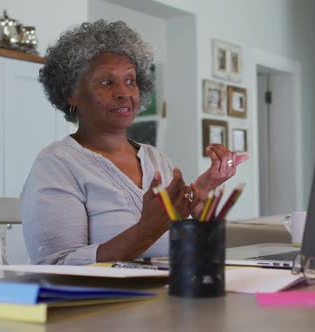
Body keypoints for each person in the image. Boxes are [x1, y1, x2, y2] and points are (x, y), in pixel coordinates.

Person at [21, 20, 248, 265]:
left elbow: (184, 249)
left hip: (172, 295)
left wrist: (202, 191)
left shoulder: (155, 158)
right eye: (107, 82)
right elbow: (57, 268)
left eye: (130, 81)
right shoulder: (57, 165)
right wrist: (147, 229)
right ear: (71, 93)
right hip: (108, 302)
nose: (124, 93)